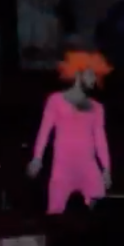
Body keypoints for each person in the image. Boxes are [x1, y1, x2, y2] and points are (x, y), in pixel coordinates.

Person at [28, 49, 113, 214]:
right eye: (90, 75)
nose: (93, 80)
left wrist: (106, 169)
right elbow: (44, 131)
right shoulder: (55, 101)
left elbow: (100, 140)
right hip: (62, 170)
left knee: (100, 213)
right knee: (55, 213)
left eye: (96, 76)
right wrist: (37, 158)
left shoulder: (97, 108)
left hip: (88, 169)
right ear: (79, 74)